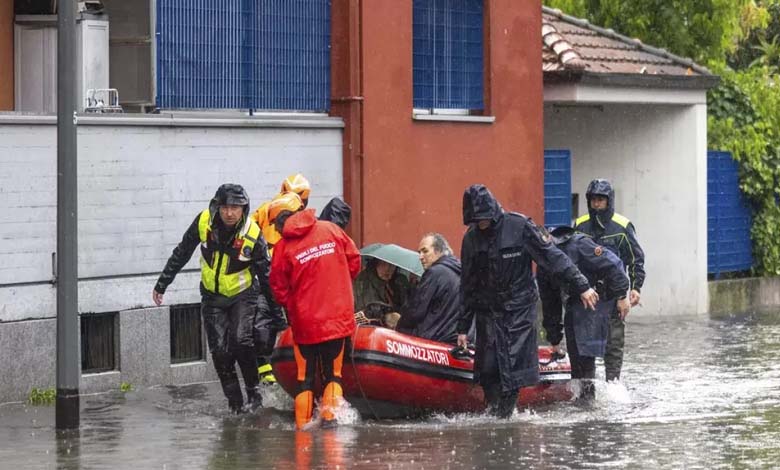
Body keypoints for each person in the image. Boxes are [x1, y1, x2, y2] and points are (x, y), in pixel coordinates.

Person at [456, 184, 599, 418]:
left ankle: (505, 417)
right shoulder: (471, 239)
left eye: (483, 219)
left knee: (512, 368)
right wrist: (463, 327)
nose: (480, 224)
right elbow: (467, 285)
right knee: (488, 368)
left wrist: (581, 285)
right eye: (475, 220)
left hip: (518, 310)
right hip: (488, 311)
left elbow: (552, 258)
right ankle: (495, 413)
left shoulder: (520, 226)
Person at [152, 184, 278, 413]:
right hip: (212, 297)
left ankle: (254, 395)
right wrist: (163, 283)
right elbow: (182, 251)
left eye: (235, 208)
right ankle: (236, 406)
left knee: (242, 342)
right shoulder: (203, 222)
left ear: (244, 209)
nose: (230, 213)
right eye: (225, 207)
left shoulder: (252, 233)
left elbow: (266, 276)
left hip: (243, 294)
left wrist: (278, 315)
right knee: (220, 353)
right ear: (217, 207)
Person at [269, 197, 361, 430]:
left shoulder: (282, 248)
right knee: (333, 375)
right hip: (337, 318)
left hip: (304, 323)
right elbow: (354, 261)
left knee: (304, 379)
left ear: (280, 221)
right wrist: (338, 283)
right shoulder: (331, 230)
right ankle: (330, 421)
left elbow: (278, 289)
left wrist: (296, 305)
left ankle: (303, 428)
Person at [538, 226, 630, 401]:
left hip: (604, 297)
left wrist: (621, 296)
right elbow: (550, 304)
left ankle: (613, 391)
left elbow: (613, 264)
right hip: (577, 303)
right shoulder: (543, 264)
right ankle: (585, 400)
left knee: (609, 348)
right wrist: (555, 340)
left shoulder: (578, 245)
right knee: (579, 358)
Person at [574, 178, 645, 382]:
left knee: (613, 345)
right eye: (593, 199)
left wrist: (636, 288)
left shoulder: (621, 226)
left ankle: (613, 386)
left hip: (615, 297)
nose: (597, 204)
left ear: (609, 200)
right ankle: (587, 392)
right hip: (588, 296)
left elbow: (636, 259)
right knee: (585, 346)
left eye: (601, 200)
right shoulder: (580, 225)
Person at [397, 233, 462, 344]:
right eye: (419, 252)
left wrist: (397, 325)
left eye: (425, 251)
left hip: (432, 340)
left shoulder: (434, 273)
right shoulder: (460, 272)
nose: (420, 257)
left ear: (439, 251)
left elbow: (416, 311)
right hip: (456, 341)